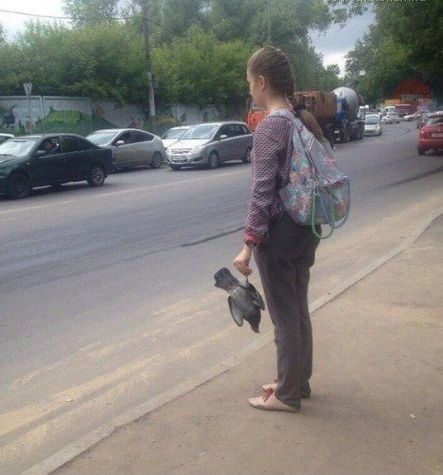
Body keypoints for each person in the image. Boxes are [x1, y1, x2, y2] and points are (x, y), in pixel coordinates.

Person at [233, 46, 322, 413]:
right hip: (307, 227)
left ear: (262, 81)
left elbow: (262, 192)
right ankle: (297, 382)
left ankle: (286, 395)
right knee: (297, 309)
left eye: (249, 83)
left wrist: (248, 244)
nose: (249, 90)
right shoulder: (300, 120)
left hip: (281, 233)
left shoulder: (271, 126)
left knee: (284, 316)